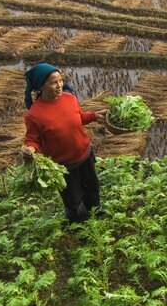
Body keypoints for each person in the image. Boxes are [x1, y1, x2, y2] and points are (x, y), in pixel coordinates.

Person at [21, 63, 107, 223]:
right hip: (63, 165)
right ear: (41, 86)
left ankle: (96, 212)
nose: (59, 85)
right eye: (53, 82)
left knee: (92, 187)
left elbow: (79, 117)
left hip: (85, 154)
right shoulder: (34, 114)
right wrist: (30, 150)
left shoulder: (70, 98)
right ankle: (79, 225)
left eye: (60, 80)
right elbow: (33, 139)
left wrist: (94, 115)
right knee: (73, 199)